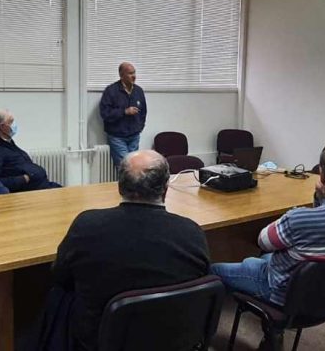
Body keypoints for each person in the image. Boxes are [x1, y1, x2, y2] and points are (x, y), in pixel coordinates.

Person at [51, 150, 209, 350]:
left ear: (119, 187)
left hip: (102, 339)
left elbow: (59, 276)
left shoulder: (87, 225)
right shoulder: (192, 232)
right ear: (166, 189)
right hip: (174, 337)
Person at [212, 140, 325, 309]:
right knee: (260, 260)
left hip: (284, 294)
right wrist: (321, 198)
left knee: (214, 269)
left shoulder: (299, 219)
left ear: (323, 176)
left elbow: (263, 241)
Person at [0, 109, 62, 192]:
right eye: (11, 121)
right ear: (2, 127)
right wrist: (25, 178)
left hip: (41, 187)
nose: (14, 124)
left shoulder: (6, 141)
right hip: (28, 194)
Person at [99, 62, 147, 167]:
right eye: (130, 73)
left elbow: (143, 112)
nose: (133, 76)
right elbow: (105, 113)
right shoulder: (111, 91)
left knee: (134, 167)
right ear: (121, 75)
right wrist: (124, 112)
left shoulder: (138, 91)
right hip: (117, 137)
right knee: (125, 167)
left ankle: (131, 184)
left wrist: (139, 127)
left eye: (134, 72)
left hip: (134, 136)